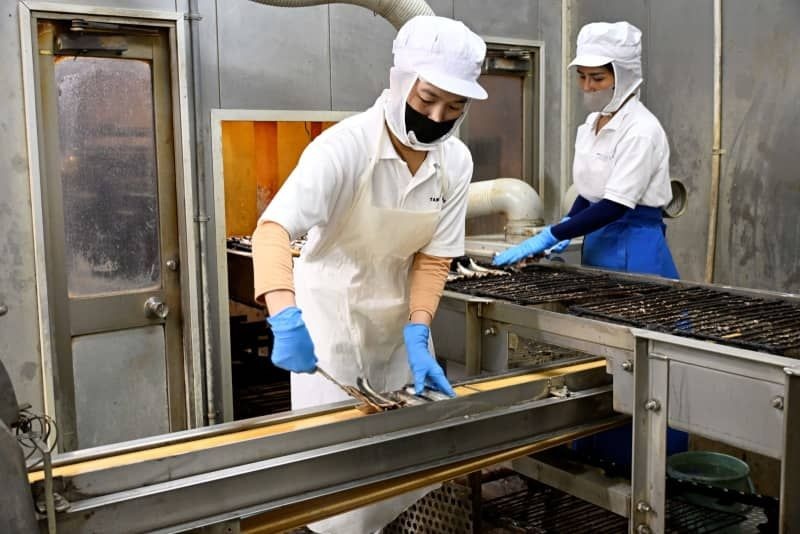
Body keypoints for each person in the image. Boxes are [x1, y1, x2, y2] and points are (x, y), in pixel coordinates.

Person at [251, 15, 487, 533]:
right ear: (401, 81)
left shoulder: (455, 162)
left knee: (401, 464)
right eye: (427, 99)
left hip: (397, 327)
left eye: (454, 106)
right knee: (338, 481)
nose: (438, 116)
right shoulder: (344, 147)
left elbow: (433, 259)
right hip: (329, 327)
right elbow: (272, 230)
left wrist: (419, 329)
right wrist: (284, 316)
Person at [493, 21, 679, 279]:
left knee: (639, 304)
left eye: (597, 78)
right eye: (582, 76)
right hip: (598, 240)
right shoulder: (592, 124)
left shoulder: (641, 130)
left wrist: (552, 235)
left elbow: (614, 205)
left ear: (624, 77)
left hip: (634, 243)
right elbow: (591, 193)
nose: (587, 86)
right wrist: (569, 221)